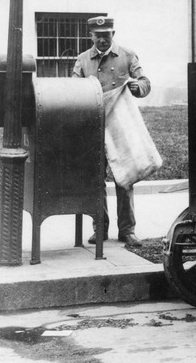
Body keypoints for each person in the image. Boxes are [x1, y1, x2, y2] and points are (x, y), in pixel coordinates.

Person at [72, 16, 151, 247]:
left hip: (120, 127)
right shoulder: (82, 60)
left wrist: (138, 87)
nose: (102, 40)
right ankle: (100, 228)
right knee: (95, 179)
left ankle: (127, 230)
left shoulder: (127, 55)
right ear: (91, 36)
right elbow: (74, 88)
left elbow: (145, 81)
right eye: (98, 36)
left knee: (124, 178)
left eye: (106, 35)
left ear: (112, 34)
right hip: (93, 127)